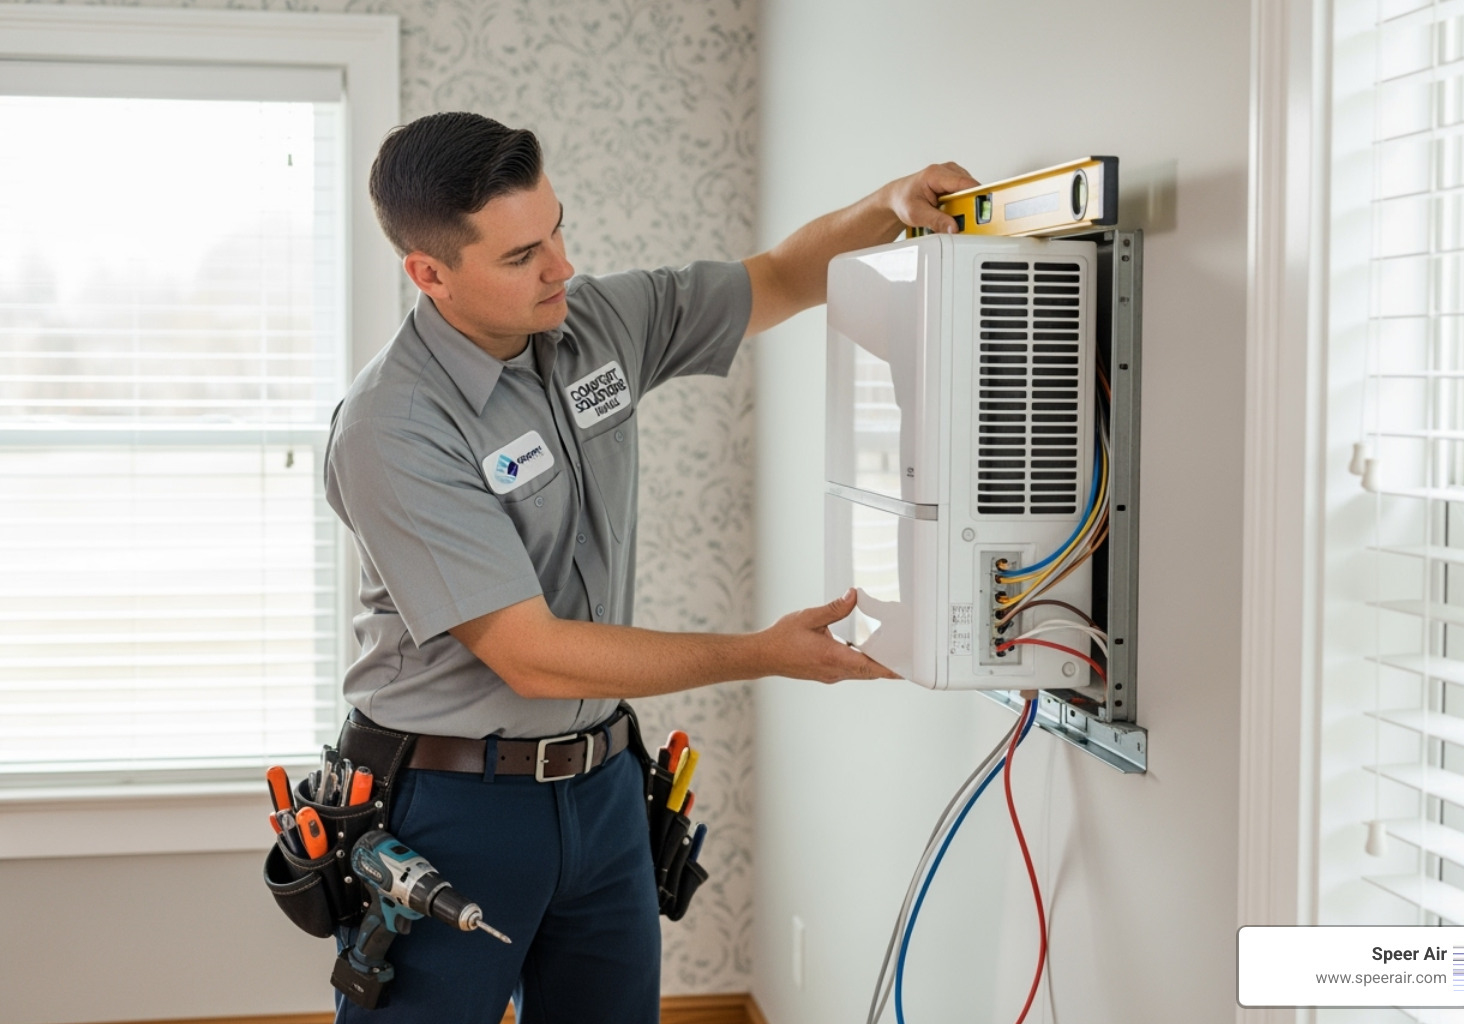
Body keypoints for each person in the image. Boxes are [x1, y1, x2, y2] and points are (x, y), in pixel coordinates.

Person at [323, 110, 978, 1023]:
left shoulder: (597, 323)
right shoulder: (394, 427)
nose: (561, 265)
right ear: (430, 274)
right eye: (521, 257)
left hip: (603, 792)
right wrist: (763, 653)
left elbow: (784, 277)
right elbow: (531, 654)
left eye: (557, 228)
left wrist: (891, 205)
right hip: (454, 806)